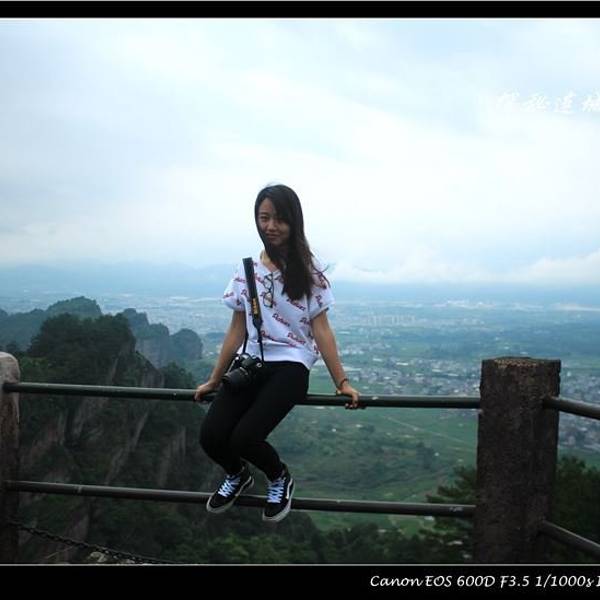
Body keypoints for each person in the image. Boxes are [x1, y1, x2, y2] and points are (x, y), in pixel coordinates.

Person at [194, 183, 360, 523]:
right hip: (251, 363)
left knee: (245, 437)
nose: (270, 226)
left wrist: (341, 382)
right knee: (211, 436)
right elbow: (236, 329)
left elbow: (322, 330)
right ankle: (237, 474)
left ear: (294, 221)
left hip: (292, 366)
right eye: (264, 218)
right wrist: (214, 379)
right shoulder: (247, 270)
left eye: (279, 219)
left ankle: (279, 477)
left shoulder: (310, 271)